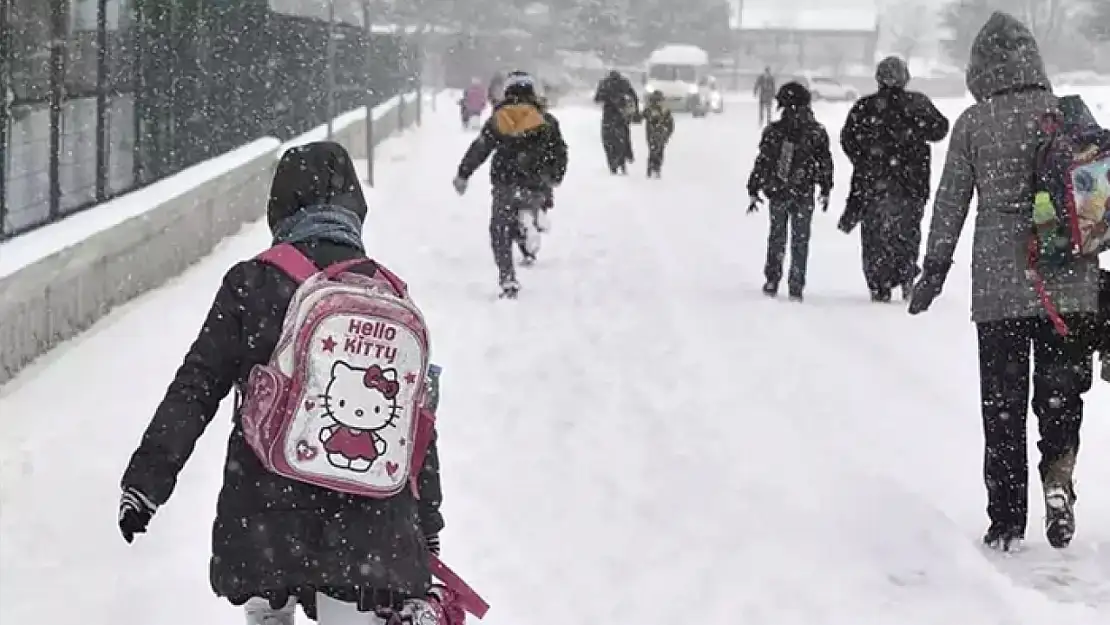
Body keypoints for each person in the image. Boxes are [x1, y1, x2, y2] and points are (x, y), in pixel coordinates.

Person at [117, 141, 446, 623]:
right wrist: (427, 523)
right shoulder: (388, 294)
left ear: (280, 207)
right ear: (355, 207)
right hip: (369, 527)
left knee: (269, 610)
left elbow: (197, 386)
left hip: (265, 515)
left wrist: (146, 483)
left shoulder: (252, 283)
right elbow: (415, 426)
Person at [908, 12, 1099, 552]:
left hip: (1000, 289)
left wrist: (933, 272)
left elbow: (949, 206)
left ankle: (1006, 520)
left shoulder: (975, 122)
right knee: (1059, 396)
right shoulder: (1065, 116)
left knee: (1003, 405)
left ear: (980, 67)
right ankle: (1058, 478)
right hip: (1070, 284)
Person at [839, 56, 949, 302]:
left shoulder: (865, 107)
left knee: (875, 236)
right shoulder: (917, 104)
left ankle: (879, 283)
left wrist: (866, 159)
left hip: (873, 185)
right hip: (912, 184)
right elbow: (940, 129)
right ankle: (906, 273)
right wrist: (916, 130)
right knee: (907, 232)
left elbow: (848, 140)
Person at [453, 71, 568, 298]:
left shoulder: (499, 119)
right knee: (532, 205)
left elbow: (481, 148)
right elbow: (559, 152)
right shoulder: (546, 121)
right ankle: (535, 220)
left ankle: (507, 278)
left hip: (505, 182)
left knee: (500, 229)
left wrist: (463, 174)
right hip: (536, 182)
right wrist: (555, 175)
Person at [747, 82, 833, 302]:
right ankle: (796, 283)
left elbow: (763, 161)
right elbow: (825, 162)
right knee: (800, 239)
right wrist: (825, 187)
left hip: (779, 190)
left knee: (777, 236)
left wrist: (754, 186)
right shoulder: (816, 132)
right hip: (803, 191)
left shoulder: (775, 131)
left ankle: (773, 278)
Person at [594, 69, 639, 174]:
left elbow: (597, 98)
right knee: (623, 138)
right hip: (620, 115)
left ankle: (613, 163)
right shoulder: (623, 83)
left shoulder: (605, 83)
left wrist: (607, 98)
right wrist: (634, 110)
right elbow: (634, 96)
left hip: (609, 115)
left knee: (608, 140)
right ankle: (623, 159)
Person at [642, 90, 675, 178]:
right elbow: (642, 116)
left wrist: (668, 133)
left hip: (661, 133)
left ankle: (655, 167)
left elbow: (670, 123)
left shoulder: (665, 111)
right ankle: (652, 167)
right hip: (653, 133)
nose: (657, 103)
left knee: (658, 150)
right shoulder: (650, 110)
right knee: (654, 150)